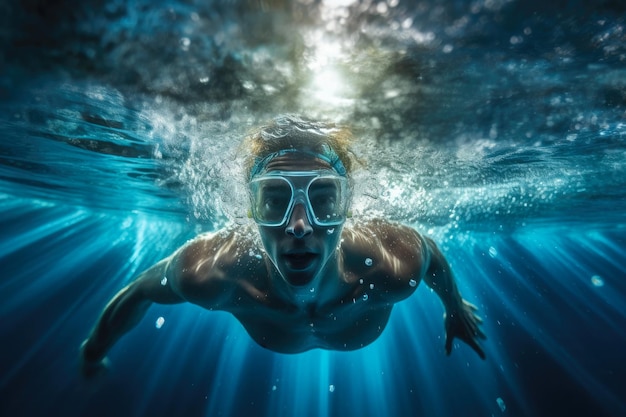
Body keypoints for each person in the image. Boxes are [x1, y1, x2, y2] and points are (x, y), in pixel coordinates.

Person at [79, 115, 486, 376]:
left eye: (324, 198)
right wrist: (93, 350)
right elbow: (137, 292)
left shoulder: (389, 266)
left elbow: (430, 253)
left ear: (347, 206)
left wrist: (454, 306)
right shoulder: (213, 272)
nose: (298, 224)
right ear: (251, 209)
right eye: (274, 199)